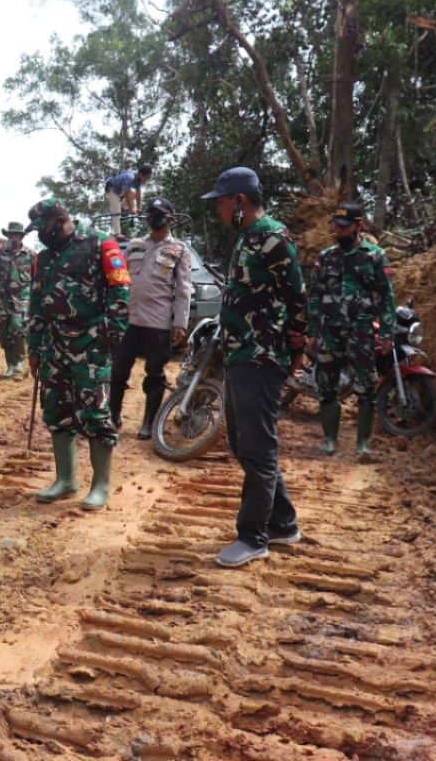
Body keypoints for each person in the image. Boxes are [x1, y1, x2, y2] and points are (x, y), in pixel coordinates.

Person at [201, 168, 308, 568]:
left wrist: (296, 347)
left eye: (221, 204)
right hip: (241, 353)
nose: (219, 213)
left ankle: (253, 536)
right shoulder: (248, 239)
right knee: (246, 445)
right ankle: (282, 522)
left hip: (262, 358)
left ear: (240, 202)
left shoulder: (273, 239)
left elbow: (297, 298)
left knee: (259, 450)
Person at [27, 198, 131, 512]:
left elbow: (121, 292)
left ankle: (100, 485)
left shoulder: (101, 244)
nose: (40, 235)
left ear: (60, 220)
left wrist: (106, 336)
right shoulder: (43, 258)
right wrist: (34, 347)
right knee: (58, 413)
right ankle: (66, 480)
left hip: (90, 346)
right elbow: (36, 304)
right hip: (53, 347)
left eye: (43, 228)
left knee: (96, 414)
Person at [306, 203, 397, 461]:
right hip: (329, 331)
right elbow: (315, 295)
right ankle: (329, 440)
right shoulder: (325, 257)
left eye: (345, 226)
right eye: (336, 225)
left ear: (359, 226)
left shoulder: (375, 256)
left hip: (361, 331)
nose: (339, 230)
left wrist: (388, 333)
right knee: (326, 386)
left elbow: (386, 297)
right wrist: (312, 331)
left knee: (366, 387)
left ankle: (363, 446)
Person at [109, 197, 193, 439]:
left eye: (160, 214)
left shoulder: (179, 250)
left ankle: (148, 424)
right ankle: (113, 417)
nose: (155, 218)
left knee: (154, 373)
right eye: (151, 214)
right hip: (129, 319)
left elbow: (184, 289)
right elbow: (120, 279)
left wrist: (180, 323)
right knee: (118, 369)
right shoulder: (134, 245)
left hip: (158, 322)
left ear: (171, 219)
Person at [0, 221, 36, 378]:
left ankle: (19, 366)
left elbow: (38, 277)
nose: (14, 237)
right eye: (11, 235)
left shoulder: (31, 255)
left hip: (21, 303)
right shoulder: (0, 253)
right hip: (1, 302)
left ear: (21, 237)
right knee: (4, 333)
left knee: (17, 329)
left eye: (16, 235)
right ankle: (11, 366)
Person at [103, 164, 153, 235]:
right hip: (112, 189)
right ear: (141, 174)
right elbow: (126, 194)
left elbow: (138, 193)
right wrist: (130, 209)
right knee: (116, 211)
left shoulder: (138, 178)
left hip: (120, 190)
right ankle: (117, 234)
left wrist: (139, 207)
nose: (147, 180)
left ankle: (123, 207)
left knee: (139, 195)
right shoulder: (130, 178)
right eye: (146, 178)